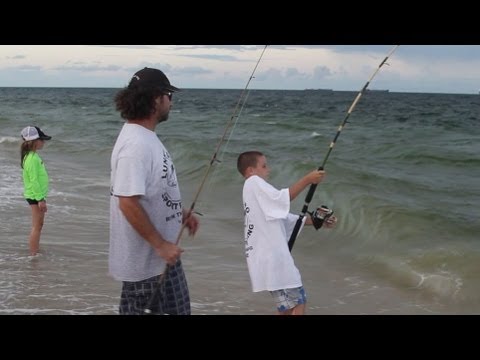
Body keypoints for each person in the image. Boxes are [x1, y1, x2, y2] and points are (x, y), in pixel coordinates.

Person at [109, 67, 199, 315]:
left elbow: (148, 190)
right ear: (156, 98)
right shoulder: (136, 145)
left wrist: (178, 211)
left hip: (161, 260)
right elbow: (127, 202)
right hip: (147, 266)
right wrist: (160, 244)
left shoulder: (145, 138)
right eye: (169, 94)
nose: (171, 101)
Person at [237, 151, 337, 315]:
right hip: (274, 259)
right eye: (264, 166)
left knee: (286, 308)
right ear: (250, 171)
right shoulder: (253, 182)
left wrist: (318, 220)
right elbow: (282, 199)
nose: (268, 169)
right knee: (299, 302)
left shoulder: (252, 194)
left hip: (264, 261)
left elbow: (284, 218)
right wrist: (308, 179)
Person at [20, 126, 52, 256]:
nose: (43, 142)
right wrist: (40, 199)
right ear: (34, 141)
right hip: (35, 196)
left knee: (39, 224)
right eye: (42, 140)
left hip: (36, 195)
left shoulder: (32, 156)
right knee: (36, 226)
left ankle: (35, 250)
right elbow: (33, 180)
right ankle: (33, 254)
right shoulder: (32, 158)